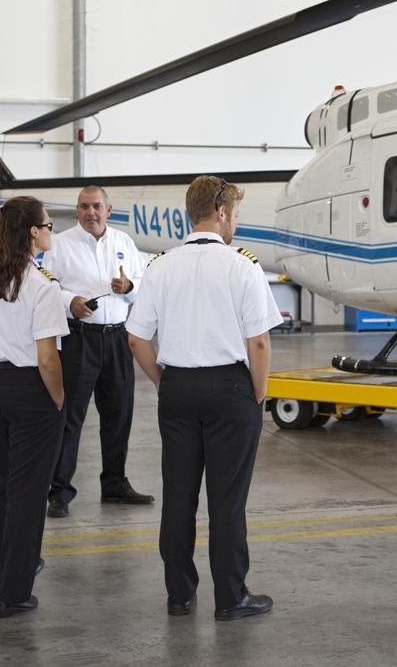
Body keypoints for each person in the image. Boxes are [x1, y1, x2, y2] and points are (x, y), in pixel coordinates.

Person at [127, 176, 279, 621]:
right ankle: (231, 598)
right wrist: (256, 395)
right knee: (227, 500)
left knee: (178, 495)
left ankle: (180, 594)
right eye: (235, 215)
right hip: (230, 390)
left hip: (177, 389)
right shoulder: (242, 266)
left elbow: (136, 338)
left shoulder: (160, 266)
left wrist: (162, 381)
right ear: (222, 212)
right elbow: (260, 343)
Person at [0, 197, 69, 618]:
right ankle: (15, 592)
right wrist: (57, 399)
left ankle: (9, 571)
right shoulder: (41, 286)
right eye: (48, 224)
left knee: (4, 485)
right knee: (28, 492)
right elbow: (47, 357)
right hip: (30, 389)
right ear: (32, 233)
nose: (50, 231)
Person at [42, 185, 151, 517]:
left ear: (109, 210)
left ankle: (115, 484)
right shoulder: (59, 246)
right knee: (69, 416)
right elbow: (46, 286)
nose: (91, 212)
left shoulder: (124, 244)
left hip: (117, 338)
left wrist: (129, 287)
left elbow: (144, 285)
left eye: (97, 206)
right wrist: (69, 301)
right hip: (79, 339)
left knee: (119, 414)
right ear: (77, 211)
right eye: (84, 206)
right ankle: (59, 491)